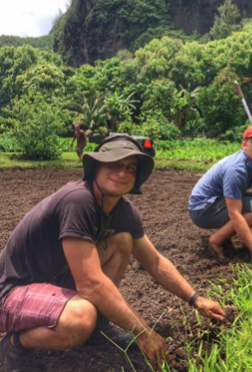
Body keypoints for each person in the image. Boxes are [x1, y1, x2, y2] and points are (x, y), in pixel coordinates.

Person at [0, 134, 225, 372]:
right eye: (114, 164)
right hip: (11, 292)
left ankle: (97, 327)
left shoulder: (124, 212)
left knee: (121, 241)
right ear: (96, 167)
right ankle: (14, 345)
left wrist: (196, 298)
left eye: (130, 167)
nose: (122, 172)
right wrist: (142, 331)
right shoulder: (78, 200)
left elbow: (155, 262)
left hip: (51, 285)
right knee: (80, 317)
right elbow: (90, 284)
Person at [188, 124, 252, 264]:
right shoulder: (236, 169)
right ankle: (215, 241)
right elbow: (234, 213)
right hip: (202, 209)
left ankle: (224, 236)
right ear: (244, 146)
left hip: (218, 201)